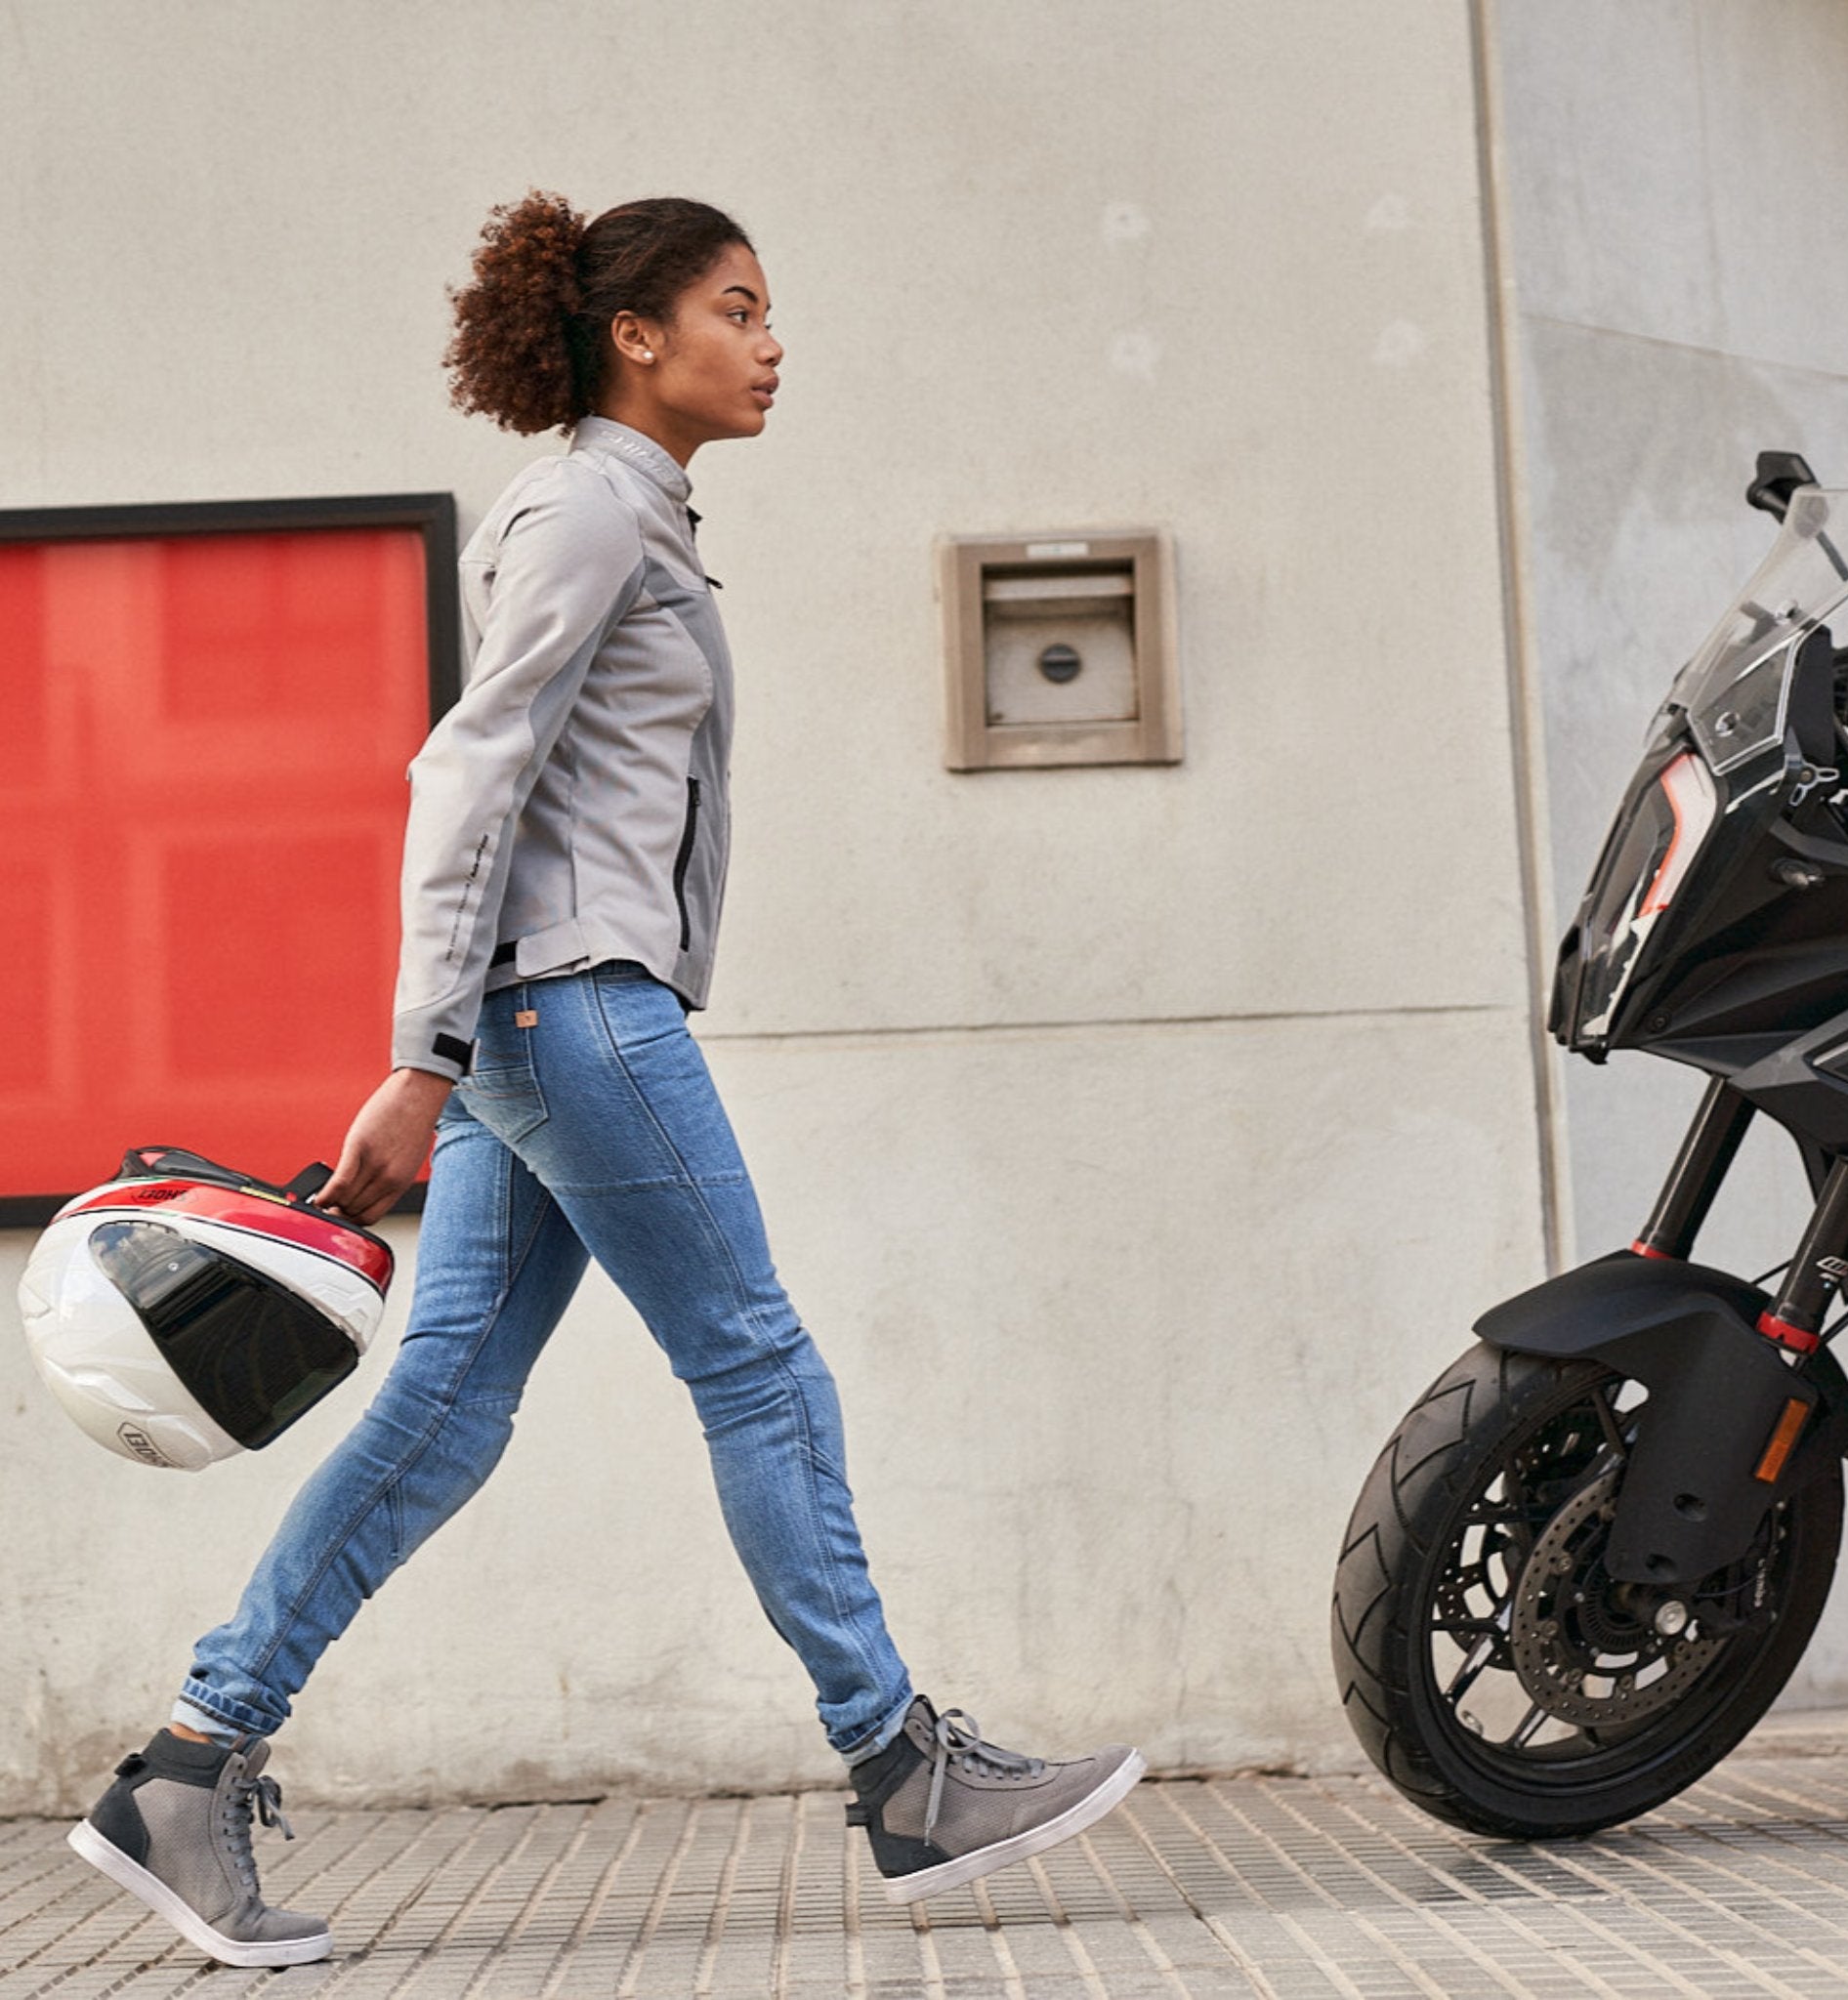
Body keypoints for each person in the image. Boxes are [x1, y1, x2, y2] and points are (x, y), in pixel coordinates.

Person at [67, 190, 1144, 1971]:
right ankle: (899, 1768)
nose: (772, 339)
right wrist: (419, 1055)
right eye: (740, 306)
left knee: (442, 1416)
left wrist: (446, 1047)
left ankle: (190, 1769)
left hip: (540, 1015)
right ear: (638, 336)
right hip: (571, 1012)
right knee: (761, 1368)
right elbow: (465, 774)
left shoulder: (629, 511)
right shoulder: (583, 509)